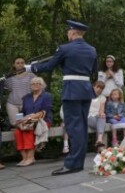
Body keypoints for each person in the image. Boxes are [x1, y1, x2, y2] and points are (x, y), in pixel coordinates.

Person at [26, 20, 97, 175]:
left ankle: (72, 164)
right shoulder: (92, 50)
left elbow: (50, 66)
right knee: (82, 126)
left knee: (73, 127)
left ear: (72, 33)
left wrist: (32, 68)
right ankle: (78, 162)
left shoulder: (65, 48)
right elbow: (94, 71)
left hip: (72, 90)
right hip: (85, 90)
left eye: (68, 32)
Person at [15, 77, 52, 166]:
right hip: (27, 120)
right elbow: (23, 112)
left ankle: (31, 157)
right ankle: (24, 158)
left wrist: (29, 119)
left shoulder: (46, 96)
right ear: (30, 86)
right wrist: (20, 120)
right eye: (33, 83)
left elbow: (44, 111)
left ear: (42, 85)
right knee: (17, 132)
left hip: (42, 121)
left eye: (38, 83)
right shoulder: (26, 97)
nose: (35, 85)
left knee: (28, 129)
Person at [4, 56, 36, 127]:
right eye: (18, 63)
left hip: (26, 104)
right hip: (13, 104)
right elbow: (5, 87)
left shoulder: (31, 75)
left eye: (22, 63)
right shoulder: (9, 77)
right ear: (14, 64)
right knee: (17, 124)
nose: (20, 64)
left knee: (28, 123)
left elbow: (41, 86)